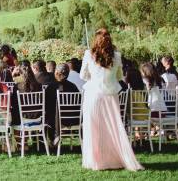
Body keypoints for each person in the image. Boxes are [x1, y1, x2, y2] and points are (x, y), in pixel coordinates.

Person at [79, 28, 142, 171]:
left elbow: (83, 75)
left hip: (93, 95)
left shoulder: (89, 54)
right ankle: (114, 159)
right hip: (110, 95)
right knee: (112, 128)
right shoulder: (117, 56)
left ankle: (96, 162)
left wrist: (94, 78)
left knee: (93, 130)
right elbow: (119, 77)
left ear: (95, 40)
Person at [44, 63, 80, 145]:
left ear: (56, 73)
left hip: (57, 120)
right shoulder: (73, 86)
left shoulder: (51, 87)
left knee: (49, 114)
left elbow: (45, 104)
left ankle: (53, 140)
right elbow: (79, 102)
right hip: (73, 118)